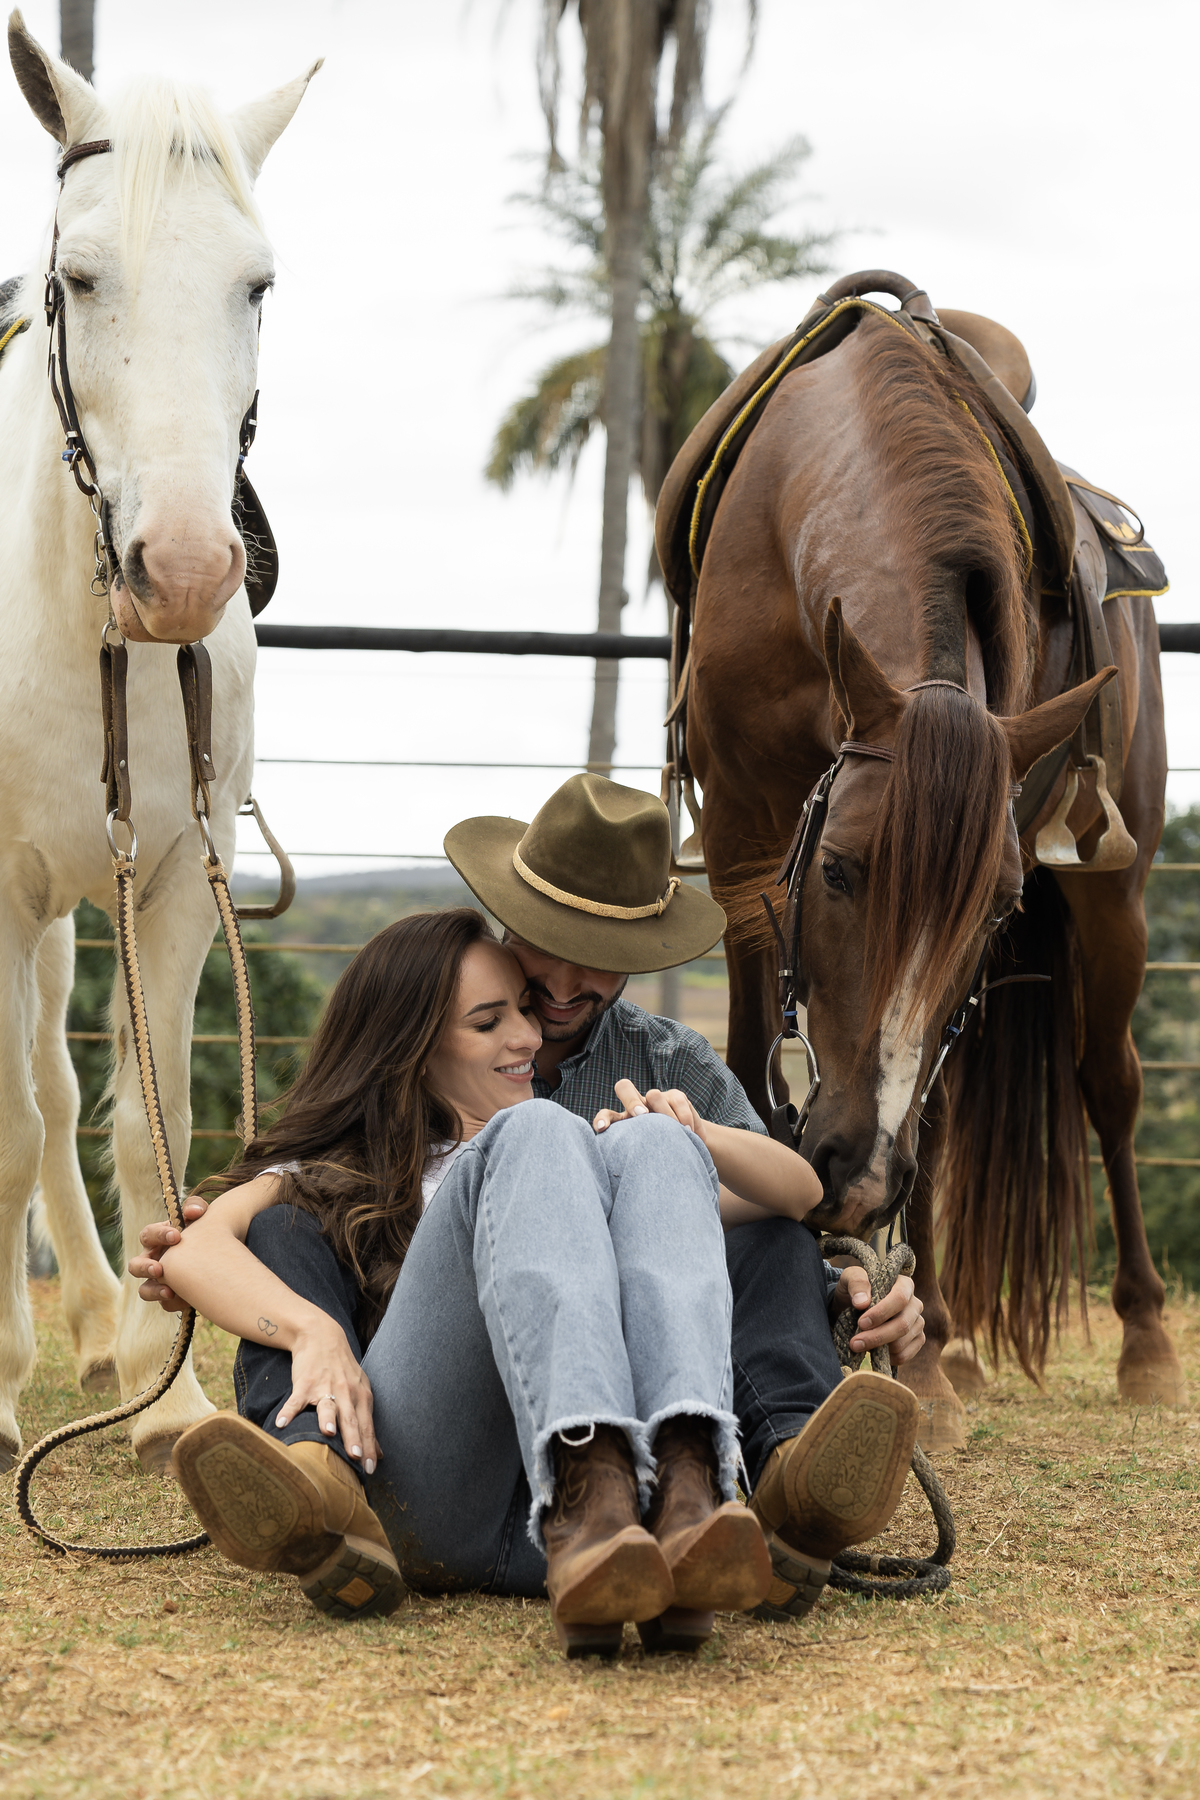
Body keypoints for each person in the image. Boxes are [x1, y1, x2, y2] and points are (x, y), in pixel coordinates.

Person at [137, 775, 923, 1625]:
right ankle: (315, 1470)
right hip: (446, 1464)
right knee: (308, 1224)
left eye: (596, 955)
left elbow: (784, 1200)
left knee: (709, 1190)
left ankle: (724, 1490)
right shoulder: (368, 1150)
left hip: (621, 1499)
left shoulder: (663, 1068)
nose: (535, 1015)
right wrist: (310, 1326)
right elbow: (209, 1243)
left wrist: (832, 1276)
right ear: (415, 1044)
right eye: (498, 1010)